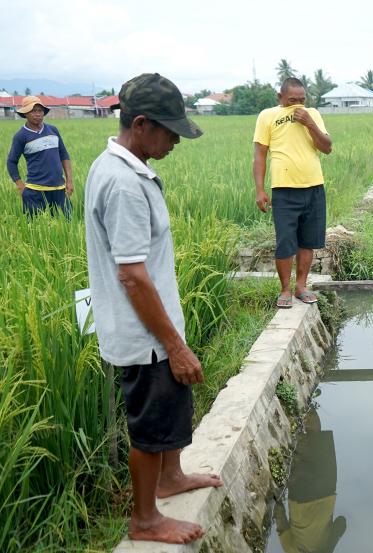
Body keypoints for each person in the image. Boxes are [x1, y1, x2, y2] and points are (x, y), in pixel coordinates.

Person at [85, 73, 222, 544]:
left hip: (153, 330)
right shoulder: (123, 183)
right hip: (144, 337)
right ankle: (145, 519)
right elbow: (133, 276)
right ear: (140, 124)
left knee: (171, 411)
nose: (175, 142)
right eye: (169, 132)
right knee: (151, 422)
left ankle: (172, 478)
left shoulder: (122, 167)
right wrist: (173, 345)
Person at [253, 77, 332, 309]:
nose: (297, 104)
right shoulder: (267, 116)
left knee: (307, 242)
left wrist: (309, 123)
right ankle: (285, 289)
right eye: (291, 100)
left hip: (314, 186)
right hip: (284, 190)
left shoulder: (313, 114)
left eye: (301, 100)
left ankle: (301, 287)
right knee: (285, 243)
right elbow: (259, 155)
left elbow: (327, 147)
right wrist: (260, 189)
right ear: (280, 98)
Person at [275, 408, 346, 553]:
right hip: (301, 498)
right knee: (300, 449)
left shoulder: (327, 549)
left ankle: (306, 407)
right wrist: (276, 496)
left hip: (325, 493)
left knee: (316, 438)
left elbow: (341, 522)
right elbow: (281, 523)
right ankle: (296, 408)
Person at [6, 95, 73, 217]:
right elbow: (11, 162)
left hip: (59, 189)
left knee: (67, 225)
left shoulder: (53, 130)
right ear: (25, 113)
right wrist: (20, 186)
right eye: (33, 111)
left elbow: (64, 155)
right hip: (34, 192)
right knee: (36, 230)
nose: (38, 114)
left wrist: (69, 181)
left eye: (40, 110)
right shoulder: (21, 136)